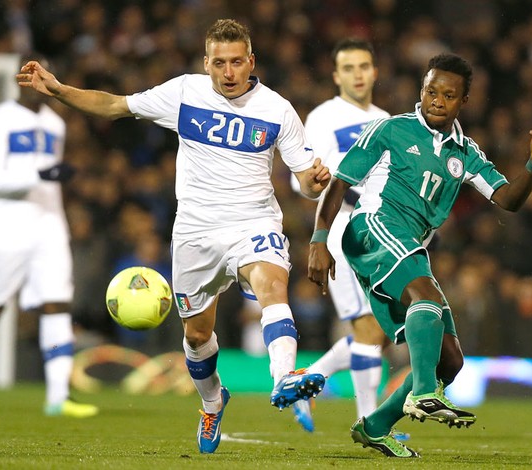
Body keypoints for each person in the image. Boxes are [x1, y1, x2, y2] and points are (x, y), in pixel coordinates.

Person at [17, 19, 330, 454]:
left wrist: (315, 182)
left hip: (253, 223)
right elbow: (114, 106)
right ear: (206, 63)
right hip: (195, 233)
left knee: (272, 286)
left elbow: (304, 181)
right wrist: (58, 89)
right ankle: (212, 402)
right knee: (198, 337)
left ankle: (283, 377)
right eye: (219, 63)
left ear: (251, 62)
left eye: (237, 62)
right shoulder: (184, 93)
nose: (228, 72)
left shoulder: (277, 110)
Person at [308, 53, 532, 458]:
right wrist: (318, 240)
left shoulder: (466, 152)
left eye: (448, 95)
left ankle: (375, 426)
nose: (437, 100)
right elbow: (339, 184)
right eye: (430, 90)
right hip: (371, 226)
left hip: (409, 246)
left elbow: (508, 199)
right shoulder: (390, 130)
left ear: (464, 102)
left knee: (450, 360)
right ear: (421, 90)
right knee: (427, 298)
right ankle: (422, 393)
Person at [0, 57, 98, 419]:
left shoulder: (55, 124)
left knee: (57, 303)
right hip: (5, 227)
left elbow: (48, 184)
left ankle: (59, 396)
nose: (40, 82)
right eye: (33, 75)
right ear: (19, 79)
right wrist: (41, 173)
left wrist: (50, 181)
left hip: (49, 224)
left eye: (46, 75)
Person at [290, 38, 394, 434]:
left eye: (364, 66)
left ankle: (307, 379)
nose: (358, 74)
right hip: (343, 228)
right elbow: (306, 181)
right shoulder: (322, 118)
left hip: (384, 233)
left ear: (375, 71)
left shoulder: (387, 120)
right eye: (349, 68)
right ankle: (370, 423)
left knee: (381, 330)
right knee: (368, 329)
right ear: (336, 76)